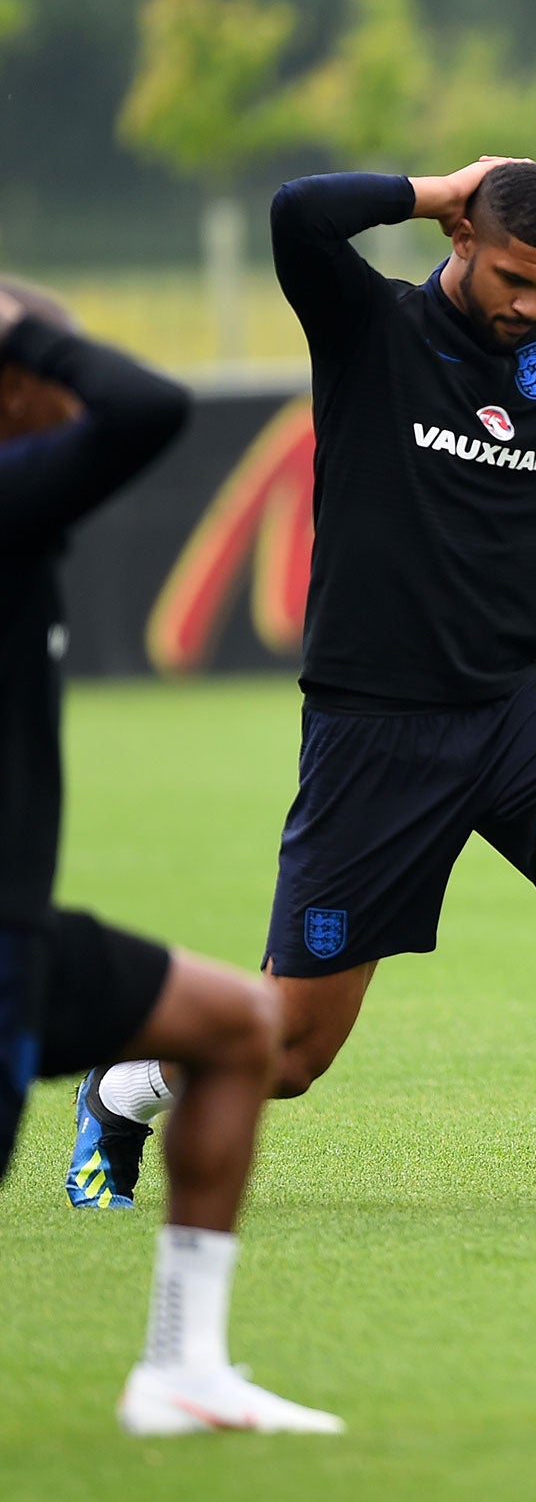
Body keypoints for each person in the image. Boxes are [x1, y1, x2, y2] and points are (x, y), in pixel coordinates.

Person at [69, 158, 536, 1217]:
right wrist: (434, 183)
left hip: (511, 706)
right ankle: (128, 1086)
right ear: (458, 240)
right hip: (376, 726)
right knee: (296, 1051)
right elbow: (296, 213)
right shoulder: (369, 326)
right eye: (512, 279)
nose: (530, 306)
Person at [0, 283, 341, 1433]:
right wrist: (21, 324)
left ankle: (183, 1368)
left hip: (22, 935)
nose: (77, 385)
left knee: (242, 1025)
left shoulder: (26, 502)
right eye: (59, 370)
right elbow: (145, 407)